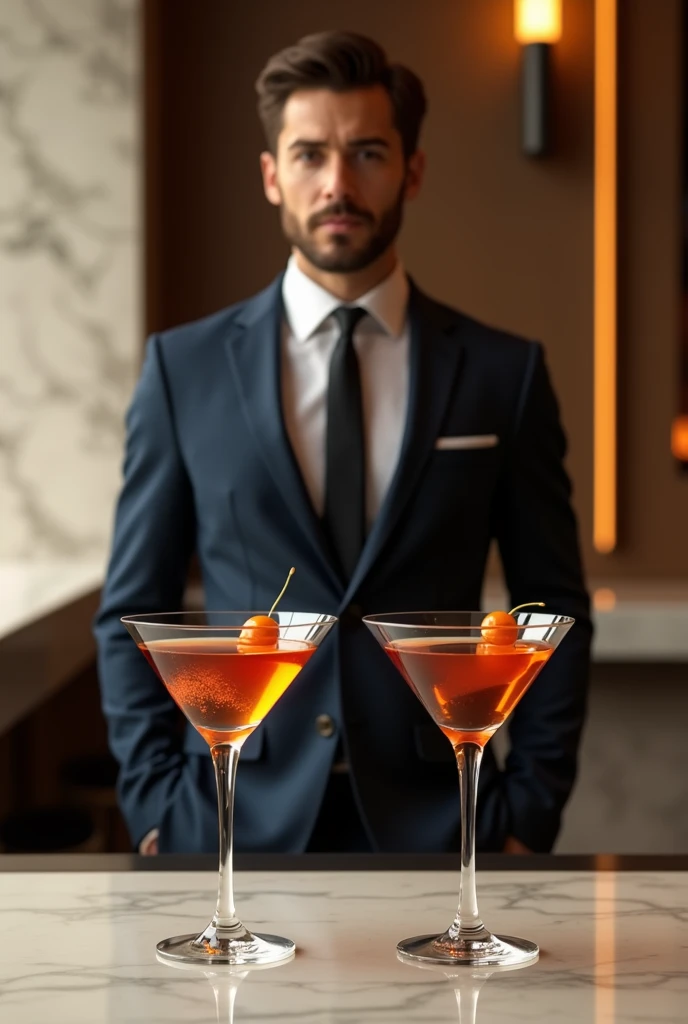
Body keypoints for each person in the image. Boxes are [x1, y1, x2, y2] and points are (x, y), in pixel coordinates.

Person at [94, 30, 592, 856]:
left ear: (413, 170)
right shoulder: (182, 370)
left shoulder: (506, 374)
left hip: (444, 821)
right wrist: (155, 803)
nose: (337, 183)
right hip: (227, 820)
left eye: (366, 153)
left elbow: (555, 604)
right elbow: (130, 610)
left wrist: (529, 811)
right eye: (309, 154)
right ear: (271, 175)